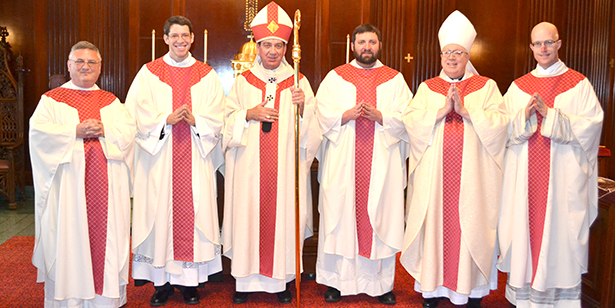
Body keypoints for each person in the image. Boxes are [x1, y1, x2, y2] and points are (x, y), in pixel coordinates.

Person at [400, 11, 509, 308]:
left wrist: (465, 113)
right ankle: (432, 290)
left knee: (470, 228)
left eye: (457, 53)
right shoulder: (427, 88)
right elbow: (409, 121)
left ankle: (471, 292)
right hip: (435, 182)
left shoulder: (486, 86)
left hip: (473, 180)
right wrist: (439, 112)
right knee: (434, 227)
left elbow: (502, 123)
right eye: (447, 53)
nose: (451, 58)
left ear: (467, 55)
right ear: (440, 56)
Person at [497, 22, 603, 308]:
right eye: (537, 44)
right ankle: (525, 298)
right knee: (524, 231)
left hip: (562, 184)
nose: (543, 49)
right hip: (525, 182)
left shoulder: (579, 84)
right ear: (531, 48)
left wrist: (551, 116)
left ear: (558, 44)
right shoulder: (518, 87)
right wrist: (524, 117)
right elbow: (501, 129)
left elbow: (593, 125)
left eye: (548, 43)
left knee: (559, 233)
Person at [221, 1, 321, 304]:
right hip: (249, 171)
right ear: (258, 46)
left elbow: (314, 132)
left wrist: (304, 106)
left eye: (278, 45)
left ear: (286, 46)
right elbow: (225, 124)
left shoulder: (298, 81)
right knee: (249, 217)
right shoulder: (243, 82)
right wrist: (247, 114)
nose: (273, 51)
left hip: (284, 172)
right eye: (267, 45)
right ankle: (244, 282)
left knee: (282, 219)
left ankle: (283, 282)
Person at [125, 16, 225, 306]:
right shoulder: (149, 73)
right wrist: (163, 120)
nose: (180, 40)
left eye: (185, 35)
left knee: (193, 216)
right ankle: (161, 283)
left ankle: (190, 283)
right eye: (175, 36)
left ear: (192, 38)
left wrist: (198, 121)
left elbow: (218, 117)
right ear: (165, 39)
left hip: (195, 155)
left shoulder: (206, 74)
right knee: (160, 216)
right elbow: (133, 114)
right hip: (159, 161)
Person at [30, 41, 136, 307]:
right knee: (69, 237)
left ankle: (104, 300)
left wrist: (105, 131)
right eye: (79, 62)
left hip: (107, 189)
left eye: (91, 62)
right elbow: (39, 134)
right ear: (68, 66)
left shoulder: (111, 101)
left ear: (100, 68)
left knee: (107, 239)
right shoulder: (51, 100)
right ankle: (70, 300)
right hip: (68, 190)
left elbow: (128, 133)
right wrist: (73, 132)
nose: (85, 67)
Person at [314, 24, 412, 305]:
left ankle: (380, 284)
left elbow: (409, 119)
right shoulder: (335, 77)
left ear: (379, 44)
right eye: (361, 42)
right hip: (343, 162)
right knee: (340, 218)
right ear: (353, 46)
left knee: (379, 217)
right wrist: (344, 116)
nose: (366, 47)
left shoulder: (394, 79)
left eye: (371, 42)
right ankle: (336, 282)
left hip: (382, 164)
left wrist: (382, 116)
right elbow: (320, 114)